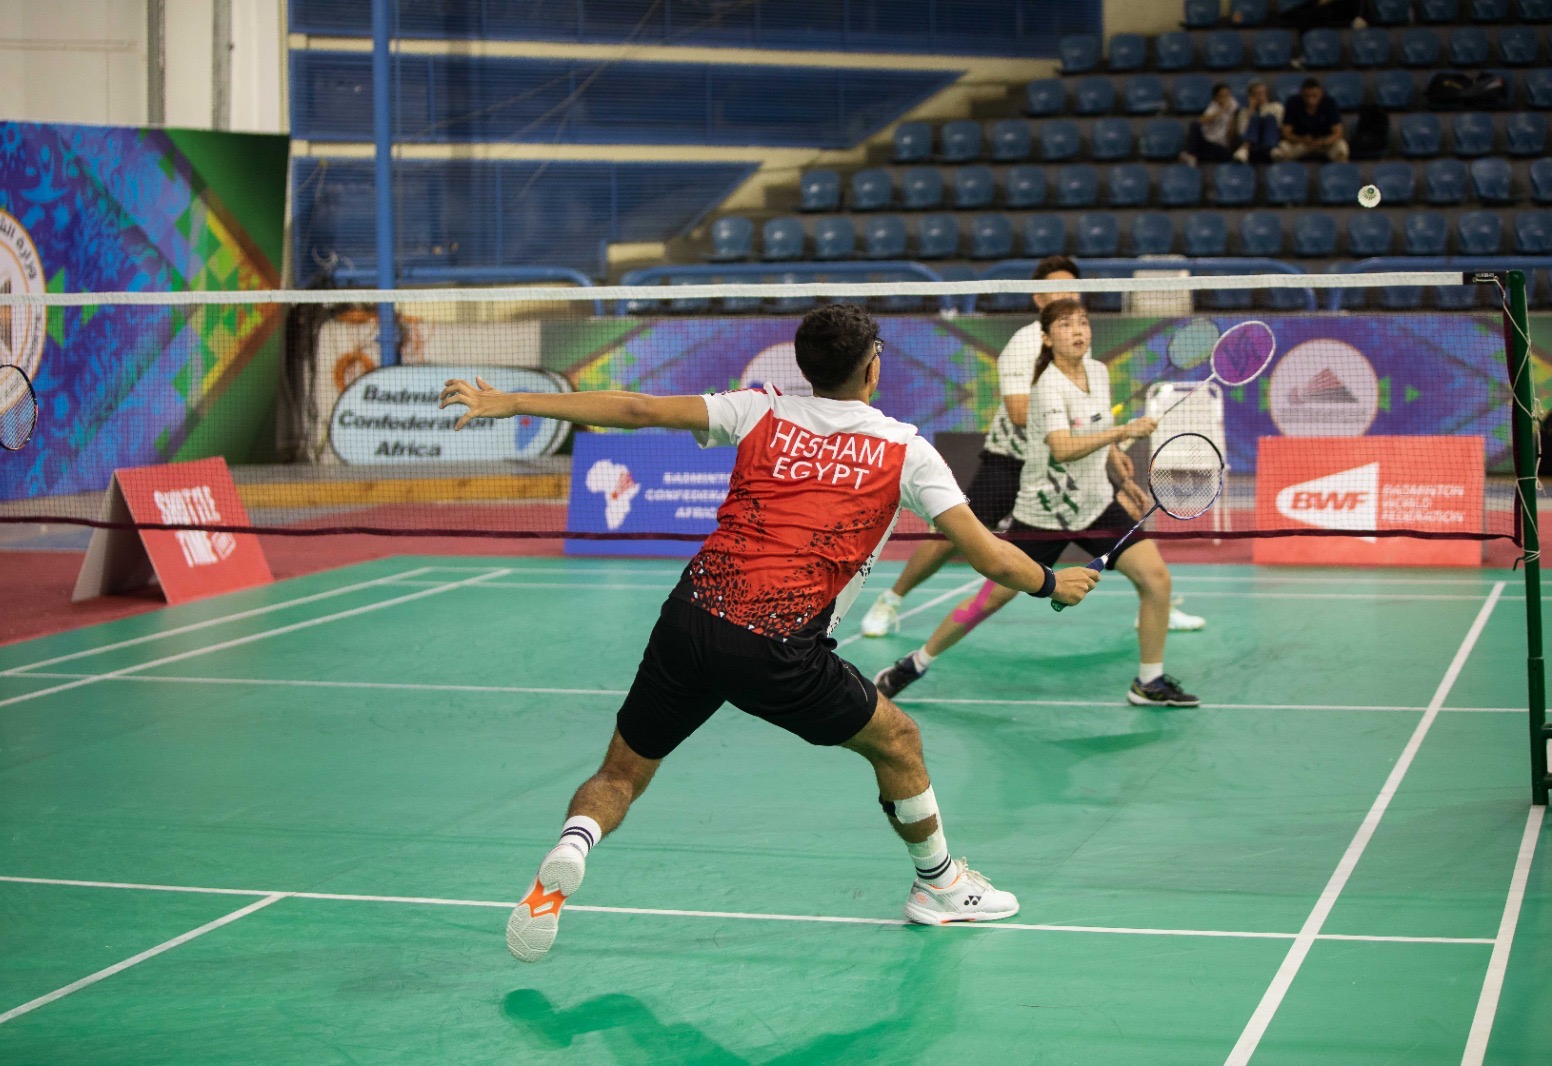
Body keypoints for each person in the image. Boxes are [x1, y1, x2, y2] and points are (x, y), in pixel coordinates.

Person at [440, 304, 1100, 964]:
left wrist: (511, 401)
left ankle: (572, 846)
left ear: (805, 367)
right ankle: (940, 885)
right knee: (898, 741)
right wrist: (1050, 582)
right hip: (776, 647)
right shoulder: (905, 450)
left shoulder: (759, 409)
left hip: (691, 618)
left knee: (620, 773)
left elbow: (638, 409)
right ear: (872, 369)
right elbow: (987, 554)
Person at [873, 299, 1200, 709]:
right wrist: (1125, 430)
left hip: (1096, 504)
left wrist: (1118, 469)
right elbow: (1062, 448)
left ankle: (1148, 682)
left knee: (1156, 580)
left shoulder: (1099, 373)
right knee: (988, 600)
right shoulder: (1045, 387)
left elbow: (1095, 430)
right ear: (1046, 338)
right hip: (1043, 512)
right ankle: (915, 663)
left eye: (1083, 322)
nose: (1078, 330)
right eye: (1065, 325)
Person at [1272, 78, 1349, 162]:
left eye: (1314, 96)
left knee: (1341, 147)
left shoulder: (1330, 103)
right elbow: (1286, 132)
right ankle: (1286, 170)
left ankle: (1340, 169)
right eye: (1307, 96)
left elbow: (1338, 132)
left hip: (1324, 143)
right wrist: (1301, 139)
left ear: (1321, 93)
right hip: (1300, 143)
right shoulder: (1293, 102)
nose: (1310, 100)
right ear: (1302, 94)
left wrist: (1323, 141)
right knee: (1282, 148)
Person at [1180, 84, 1239, 165]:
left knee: (1229, 155)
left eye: (1227, 95)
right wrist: (1221, 110)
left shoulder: (1233, 105)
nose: (1226, 98)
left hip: (1220, 144)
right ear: (1216, 97)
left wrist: (1231, 116)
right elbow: (1202, 120)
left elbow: (1232, 130)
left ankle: (1196, 155)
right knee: (1194, 124)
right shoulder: (1213, 106)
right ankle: (1191, 155)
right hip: (1207, 141)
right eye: (1222, 96)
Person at [1234, 79, 1284, 164]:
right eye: (1256, 94)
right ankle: (1244, 149)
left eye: (1262, 93)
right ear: (1250, 96)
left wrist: (1263, 108)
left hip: (1270, 143)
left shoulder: (1277, 107)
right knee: (1255, 118)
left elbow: (1279, 127)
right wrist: (1251, 110)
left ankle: (1273, 149)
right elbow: (1241, 132)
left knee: (1269, 118)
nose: (1259, 97)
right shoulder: (1244, 112)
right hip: (1252, 146)